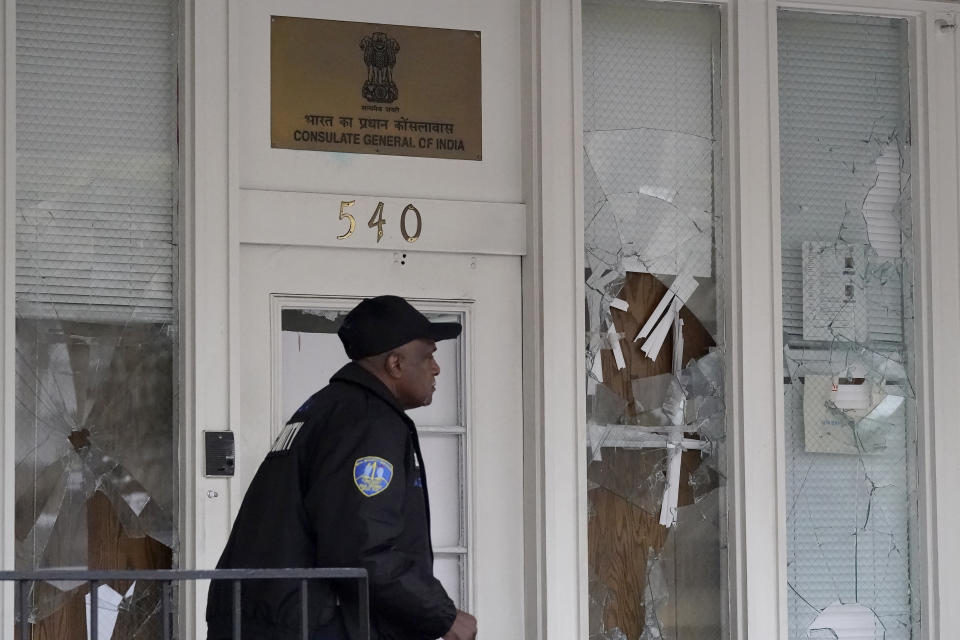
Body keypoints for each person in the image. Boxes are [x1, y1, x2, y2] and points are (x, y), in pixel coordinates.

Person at [207, 295, 478, 640]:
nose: (436, 367)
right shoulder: (366, 422)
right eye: (428, 356)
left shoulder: (327, 408)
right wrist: (442, 616)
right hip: (311, 625)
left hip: (274, 619)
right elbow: (363, 549)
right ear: (395, 364)